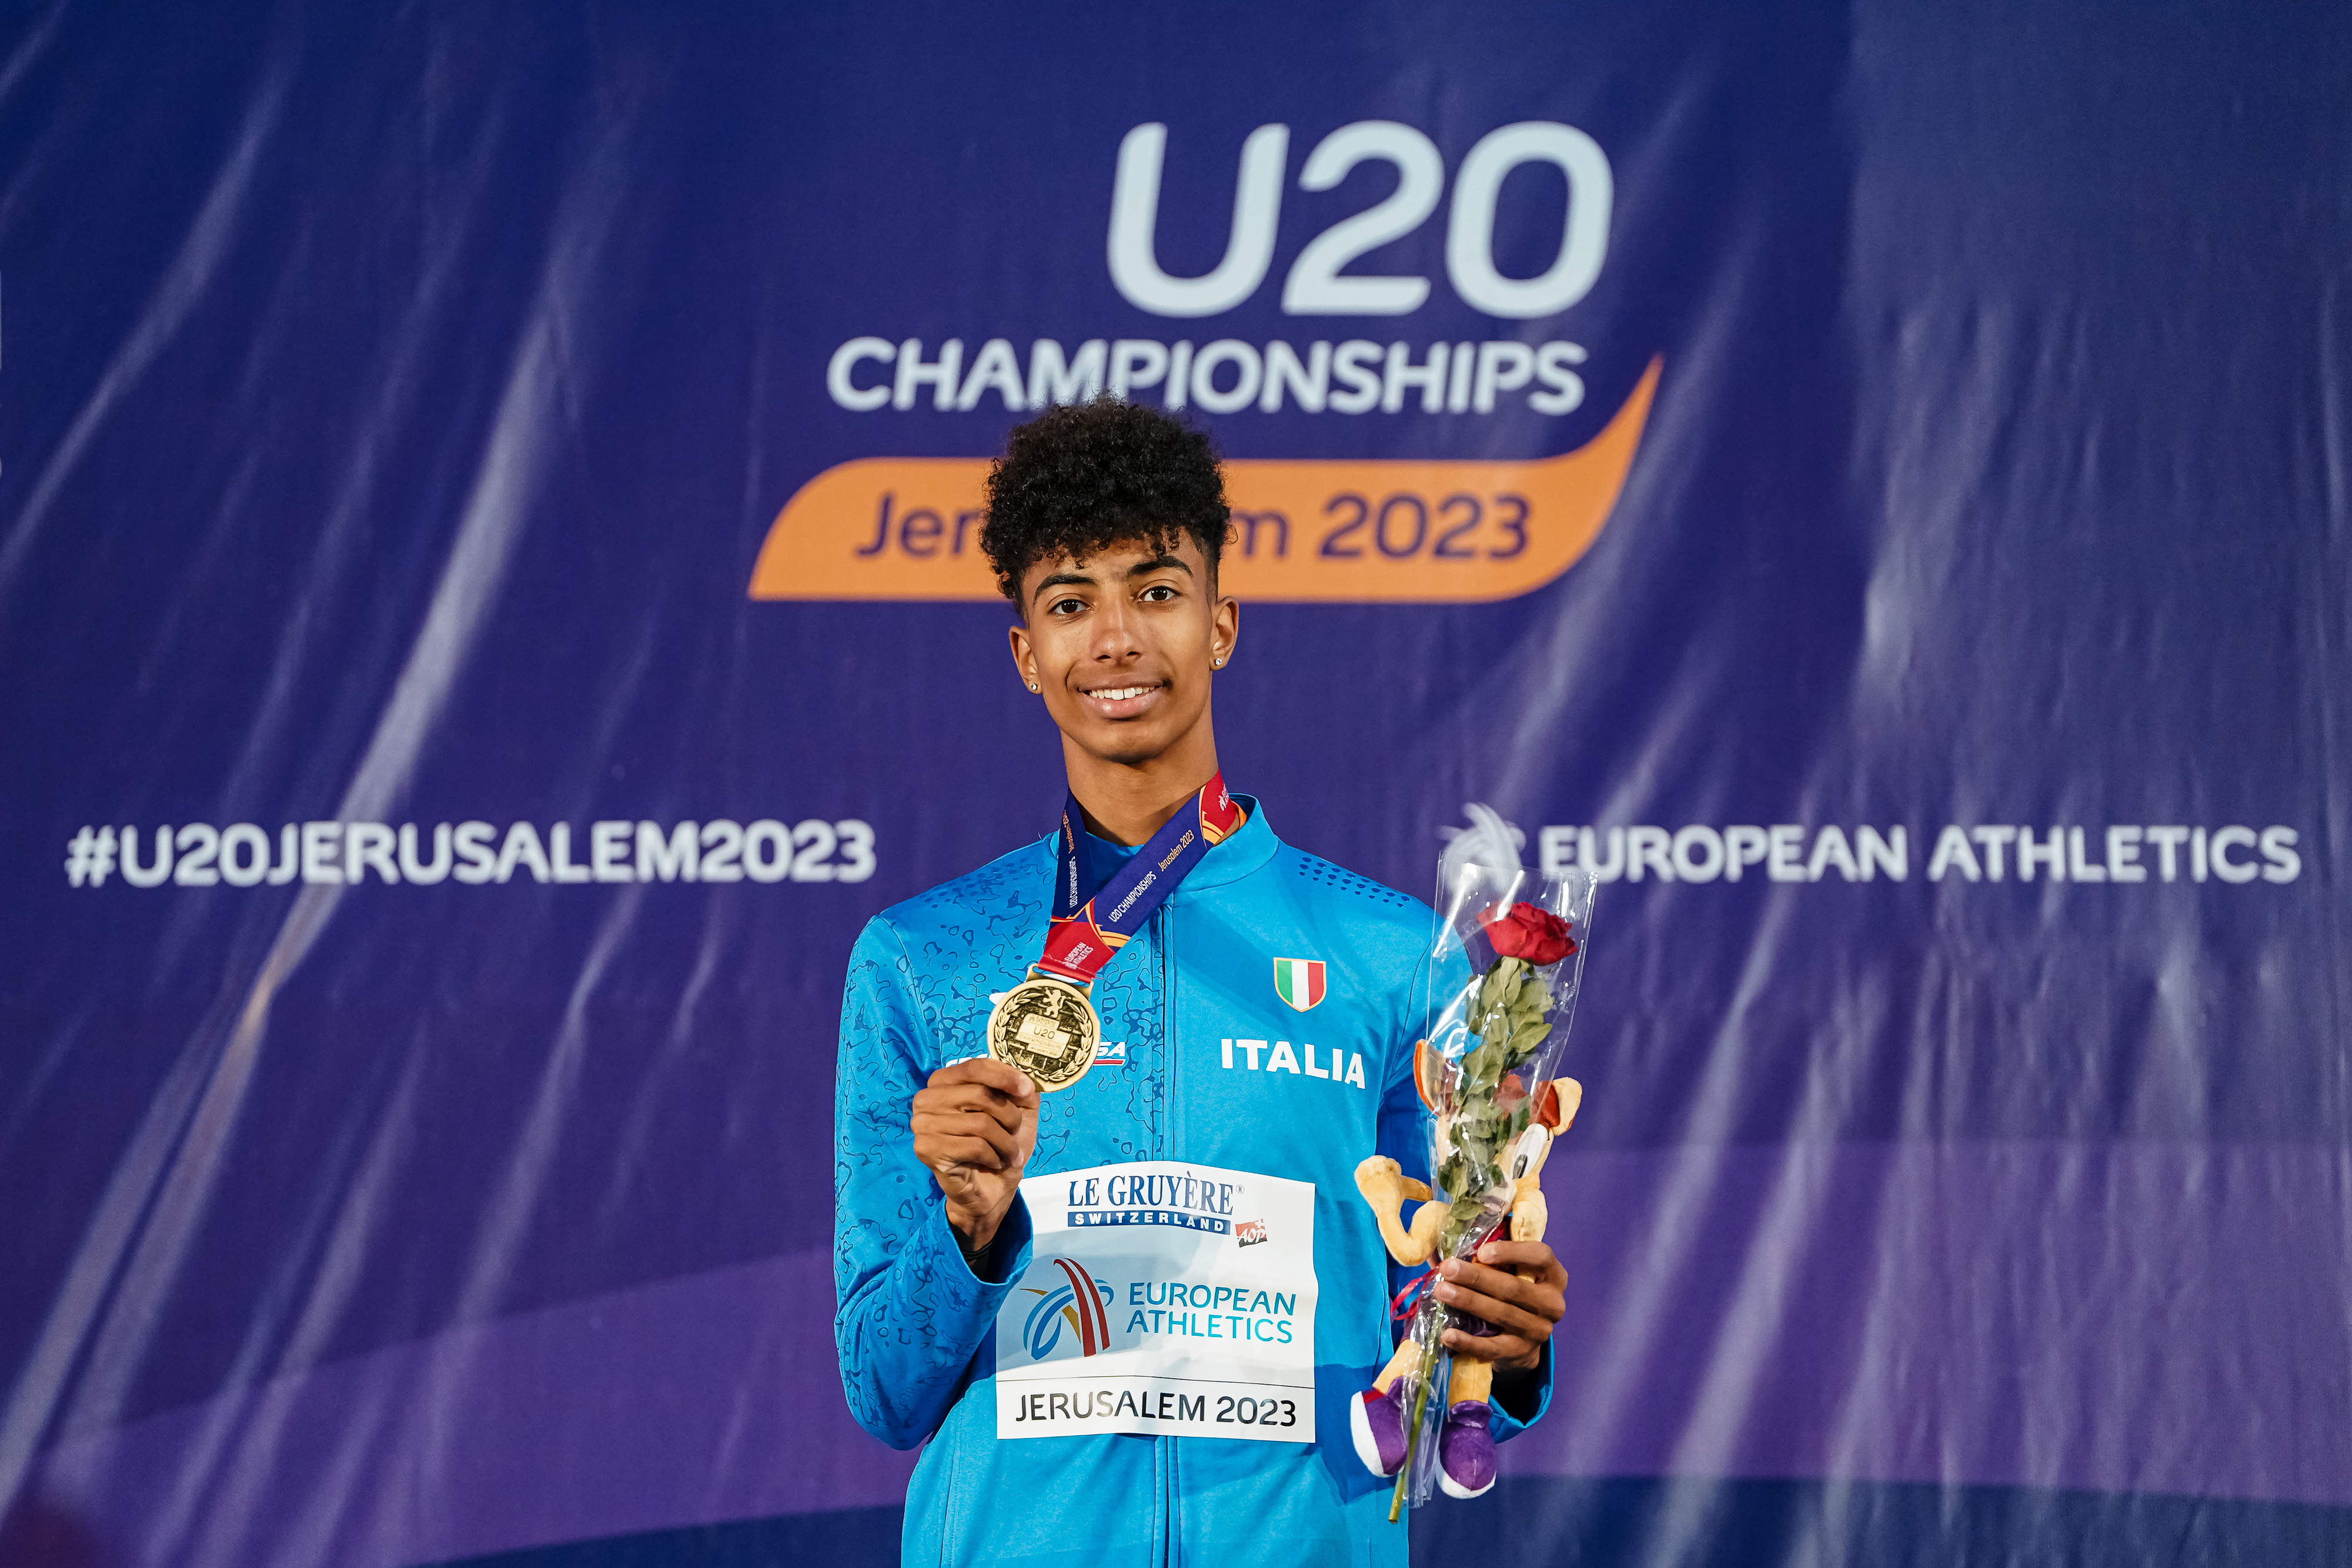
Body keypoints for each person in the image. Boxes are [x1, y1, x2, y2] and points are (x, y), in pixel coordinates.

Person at [833, 399, 1568, 1566]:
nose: (1116, 638)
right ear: (1026, 655)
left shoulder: (1390, 956)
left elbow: (1434, 1340)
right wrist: (966, 1232)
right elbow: (882, 1387)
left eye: (1156, 591)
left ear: (1220, 622)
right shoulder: (925, 957)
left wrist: (1508, 1349)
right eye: (1070, 603)